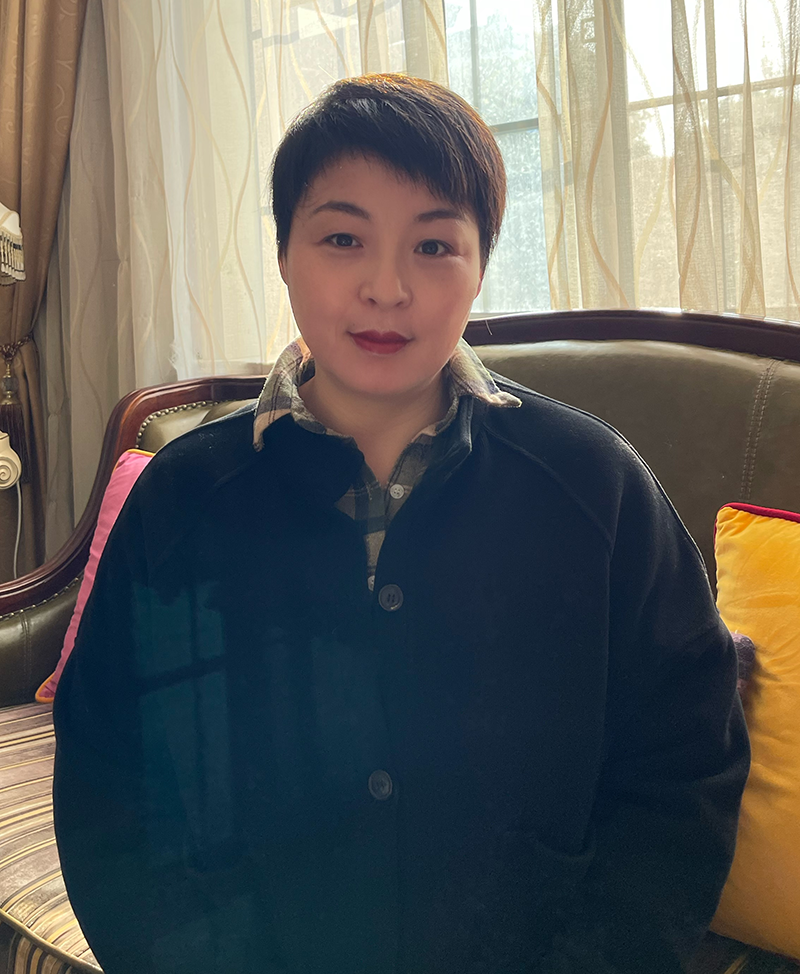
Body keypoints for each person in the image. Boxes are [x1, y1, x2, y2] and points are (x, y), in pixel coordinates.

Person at [53, 73, 750, 974]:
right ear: (284, 253)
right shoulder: (183, 498)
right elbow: (111, 782)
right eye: (343, 238)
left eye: (433, 245)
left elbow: (685, 764)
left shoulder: (593, 482)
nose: (386, 288)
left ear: (481, 265)